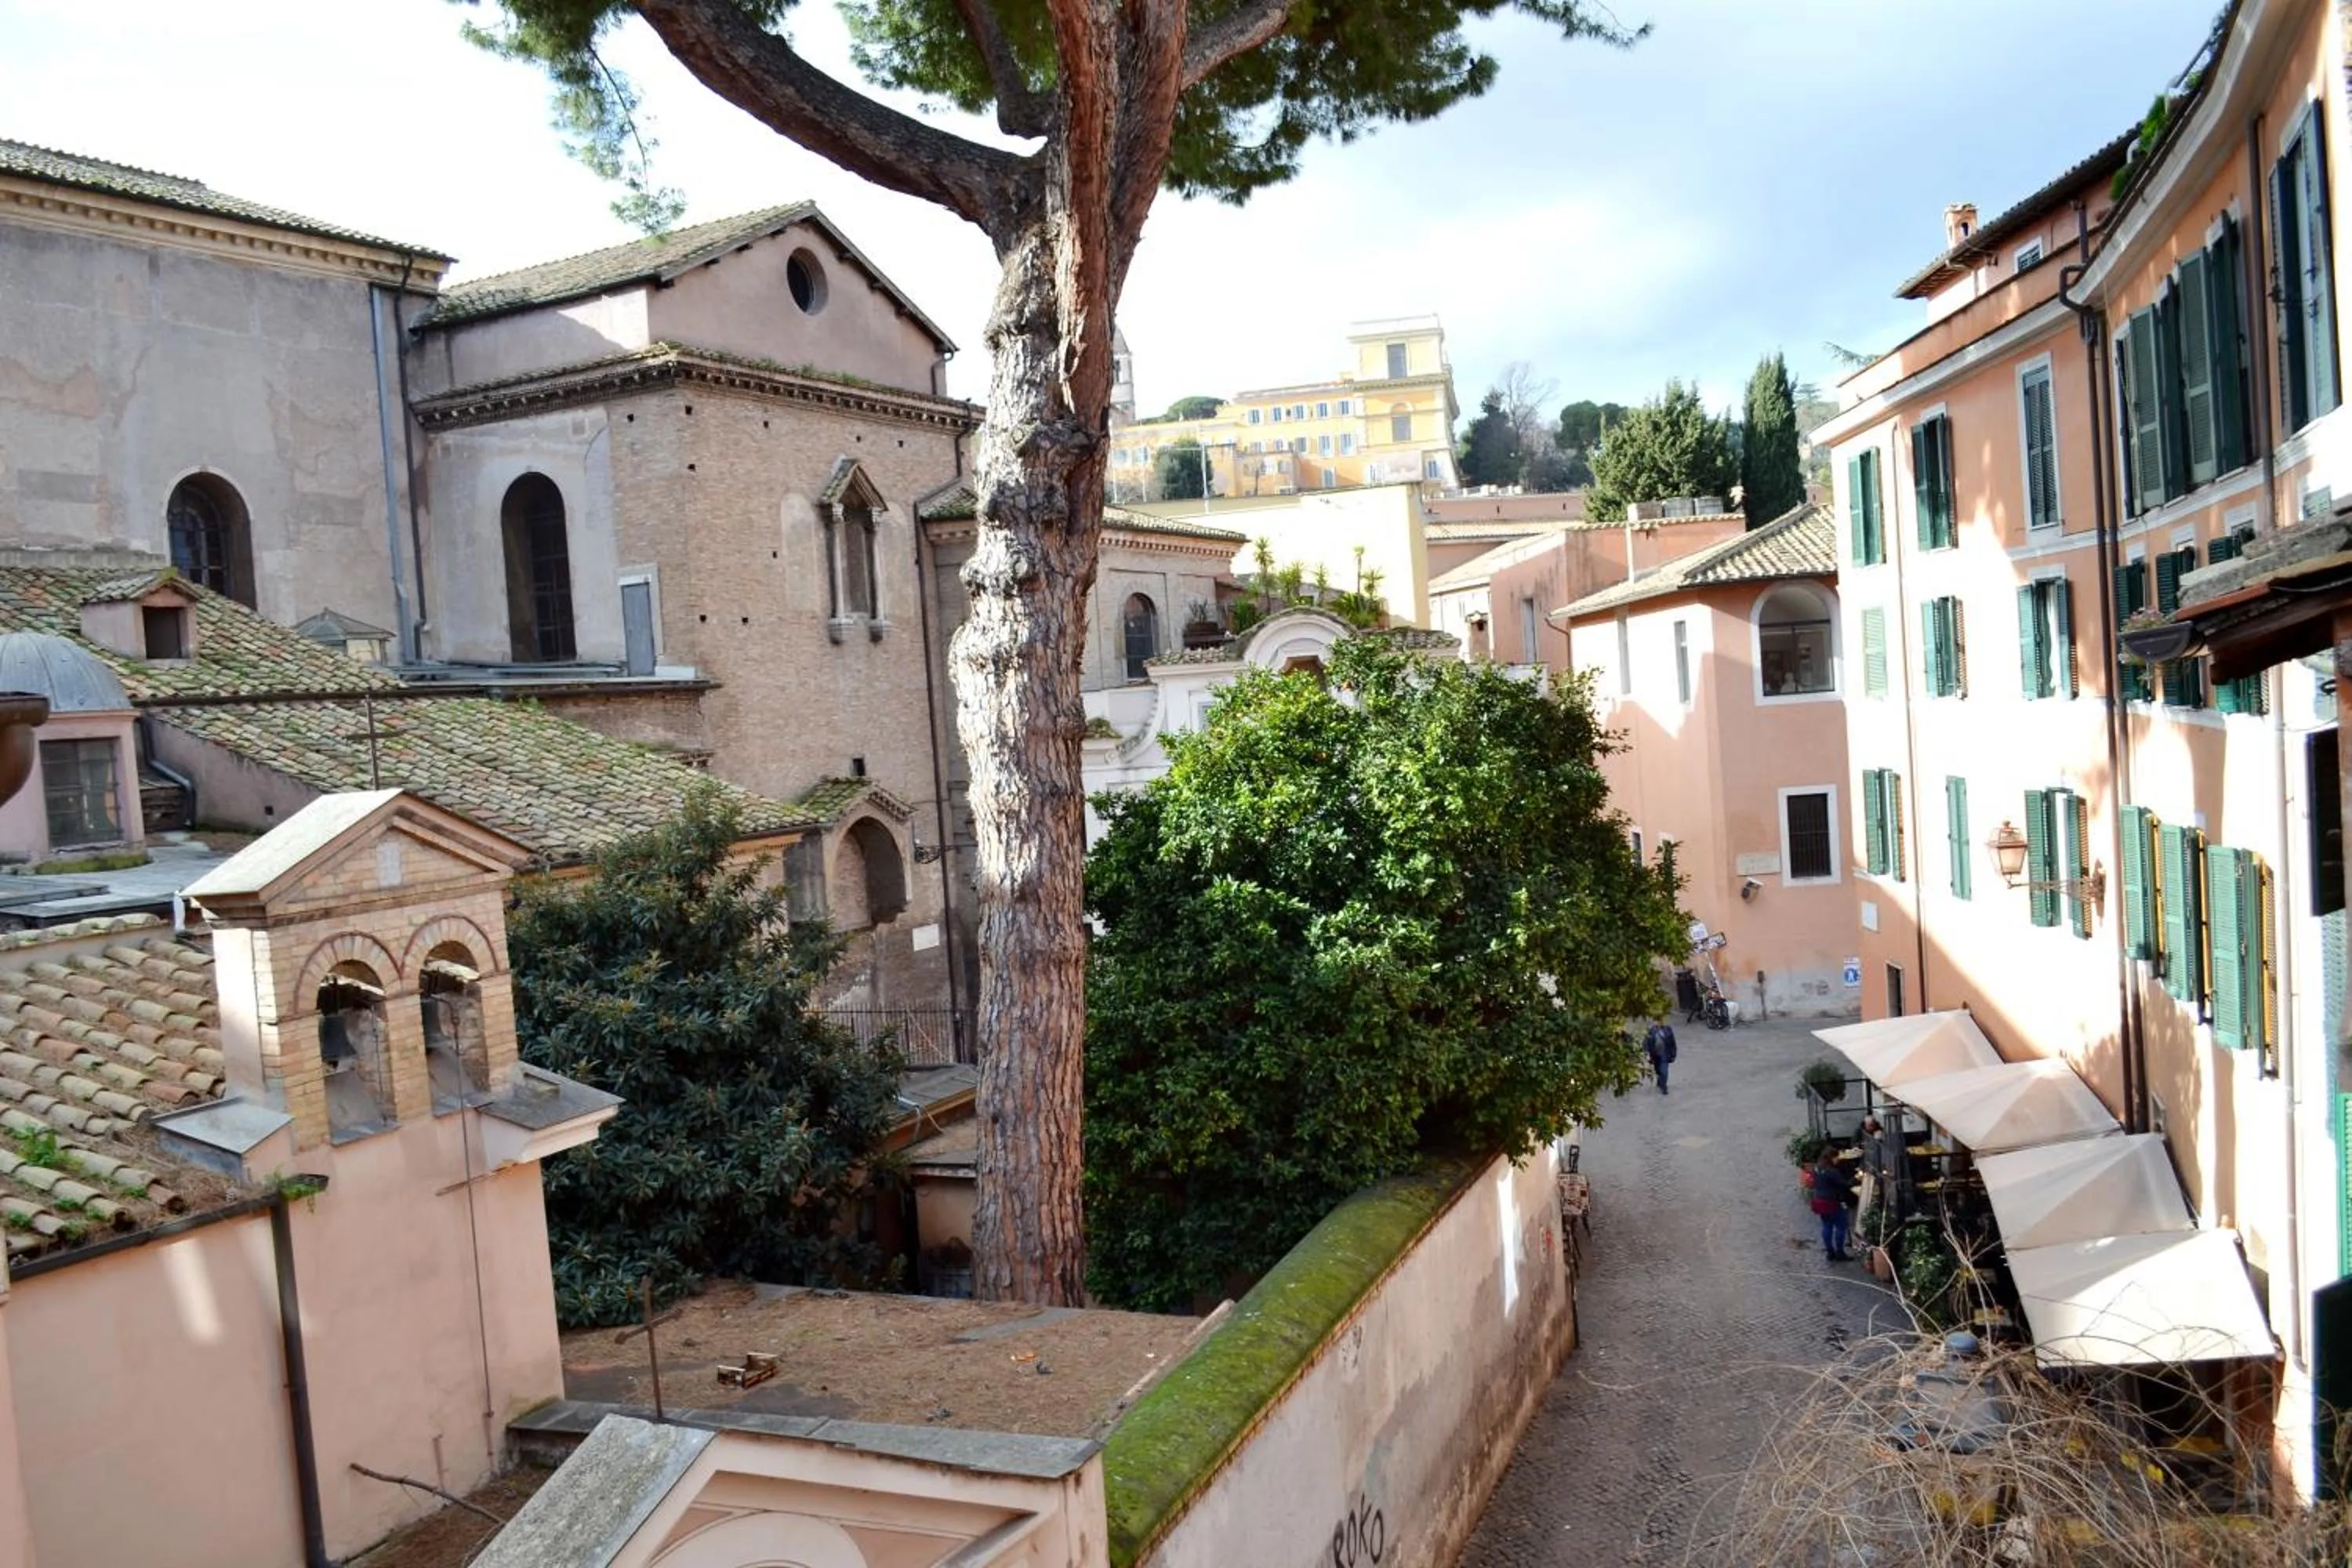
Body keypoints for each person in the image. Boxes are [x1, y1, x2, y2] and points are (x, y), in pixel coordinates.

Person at [1810, 1149, 1856, 1260]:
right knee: (1841, 1226)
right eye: (1837, 1158)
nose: (1838, 1160)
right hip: (1833, 1202)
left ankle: (1830, 1252)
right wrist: (1856, 1179)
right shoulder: (1832, 1172)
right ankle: (1840, 1252)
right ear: (1832, 1158)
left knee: (1827, 1226)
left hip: (1820, 1201)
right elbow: (1845, 1185)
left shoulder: (1816, 1168)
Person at [1642, 1019, 1678, 1095]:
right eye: (1656, 1021)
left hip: (1665, 1054)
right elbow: (1645, 1043)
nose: (1658, 1023)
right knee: (1658, 1070)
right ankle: (1660, 1081)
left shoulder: (1668, 1030)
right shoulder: (1650, 1031)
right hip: (1655, 1055)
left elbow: (1673, 1043)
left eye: (1660, 1021)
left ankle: (1664, 1086)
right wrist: (1647, 1053)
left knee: (1664, 1071)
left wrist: (1673, 1054)